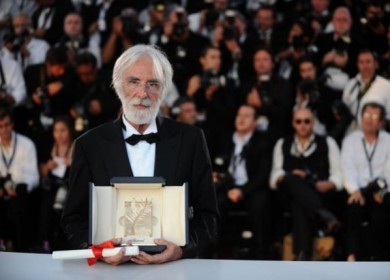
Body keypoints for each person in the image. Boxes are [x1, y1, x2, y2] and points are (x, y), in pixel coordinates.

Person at [62, 44, 218, 265]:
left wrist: (181, 251)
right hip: (112, 274)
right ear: (118, 85)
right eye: (133, 81)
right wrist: (99, 252)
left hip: (174, 271)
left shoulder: (191, 140)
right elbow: (73, 219)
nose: (142, 93)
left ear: (163, 90)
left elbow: (209, 216)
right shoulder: (89, 145)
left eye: (153, 84)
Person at [270, 107, 343, 260]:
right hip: (287, 197)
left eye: (307, 121)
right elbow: (274, 177)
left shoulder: (327, 142)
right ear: (293, 124)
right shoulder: (282, 143)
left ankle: (302, 254)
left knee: (300, 201)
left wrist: (328, 184)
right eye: (298, 121)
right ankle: (323, 215)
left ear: (313, 123)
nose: (303, 125)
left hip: (319, 191)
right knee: (291, 180)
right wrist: (294, 177)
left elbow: (338, 176)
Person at [214, 104, 272, 260]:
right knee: (215, 204)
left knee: (261, 204)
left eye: (247, 116)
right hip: (228, 187)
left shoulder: (262, 143)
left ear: (255, 122)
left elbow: (263, 175)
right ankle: (212, 253)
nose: (241, 119)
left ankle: (261, 254)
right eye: (239, 115)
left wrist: (242, 191)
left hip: (252, 188)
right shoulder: (225, 139)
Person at [341, 102, 390, 261]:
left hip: (380, 189)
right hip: (357, 189)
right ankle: (351, 255)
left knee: (380, 215)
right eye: (367, 115)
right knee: (353, 208)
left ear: (382, 122)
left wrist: (384, 192)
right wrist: (354, 189)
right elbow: (347, 167)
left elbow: (388, 171)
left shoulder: (388, 140)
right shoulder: (351, 140)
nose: (370, 120)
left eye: (375, 116)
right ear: (361, 118)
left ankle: (379, 257)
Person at [0, 104, 39, 252]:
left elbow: (33, 178)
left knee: (18, 204)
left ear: (12, 124)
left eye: (7, 125)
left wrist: (15, 187)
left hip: (21, 192)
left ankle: (20, 247)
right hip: (3, 190)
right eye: (1, 126)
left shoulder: (26, 144)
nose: (4, 129)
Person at [38, 116, 75, 253]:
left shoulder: (77, 146)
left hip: (68, 187)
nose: (59, 135)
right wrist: (47, 167)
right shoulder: (49, 147)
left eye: (63, 130)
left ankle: (63, 241)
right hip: (52, 187)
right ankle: (46, 241)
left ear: (70, 131)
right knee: (46, 203)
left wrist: (72, 163)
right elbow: (41, 171)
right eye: (56, 131)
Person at [342, 49, 390, 135]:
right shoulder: (350, 85)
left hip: (378, 135)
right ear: (357, 65)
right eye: (361, 62)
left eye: (368, 62)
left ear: (375, 64)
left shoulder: (386, 86)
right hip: (352, 133)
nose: (365, 65)